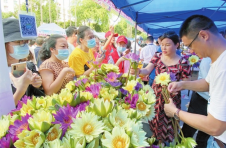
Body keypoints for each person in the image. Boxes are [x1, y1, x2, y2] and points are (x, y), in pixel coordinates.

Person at [164, 15, 226, 148]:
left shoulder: (223, 67)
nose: (191, 51)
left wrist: (175, 112)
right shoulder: (218, 60)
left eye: (190, 46)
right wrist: (182, 84)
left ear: (203, 35)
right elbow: (207, 83)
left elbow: (215, 127)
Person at [132, 31, 191, 144]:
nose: (163, 48)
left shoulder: (183, 62)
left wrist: (175, 86)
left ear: (177, 45)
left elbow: (187, 82)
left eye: (167, 45)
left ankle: (166, 144)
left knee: (168, 126)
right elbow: (147, 70)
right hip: (155, 97)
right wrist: (139, 71)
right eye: (162, 44)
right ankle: (155, 142)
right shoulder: (158, 56)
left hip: (171, 100)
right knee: (153, 122)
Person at [3, 18, 43, 105]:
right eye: (19, 42)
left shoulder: (28, 67)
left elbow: (38, 98)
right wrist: (20, 90)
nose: (24, 45)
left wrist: (37, 85)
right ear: (4, 44)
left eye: (25, 42)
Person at [181, 57, 211, 148]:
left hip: (205, 100)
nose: (192, 50)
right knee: (188, 132)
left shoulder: (209, 60)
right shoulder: (208, 60)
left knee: (200, 135)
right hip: (202, 99)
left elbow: (207, 85)